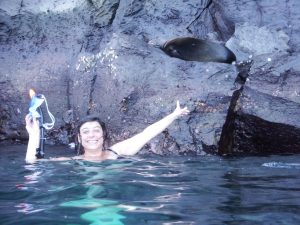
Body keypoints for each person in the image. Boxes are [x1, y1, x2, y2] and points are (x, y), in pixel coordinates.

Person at [25, 101, 189, 163]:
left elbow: (147, 133)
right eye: (86, 132)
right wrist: (34, 135)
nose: (92, 135)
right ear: (79, 139)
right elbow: (33, 164)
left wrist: (174, 115)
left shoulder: (117, 152)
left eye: (96, 130)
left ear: (103, 136)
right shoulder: (73, 160)